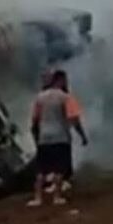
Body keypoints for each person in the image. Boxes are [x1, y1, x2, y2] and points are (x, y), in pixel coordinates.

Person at [28, 69, 88, 207]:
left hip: (44, 138)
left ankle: (37, 198)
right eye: (65, 80)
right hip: (61, 137)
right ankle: (57, 197)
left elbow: (34, 121)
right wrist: (82, 136)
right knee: (59, 169)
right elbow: (74, 119)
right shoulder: (65, 97)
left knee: (41, 170)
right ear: (59, 81)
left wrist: (36, 138)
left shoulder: (40, 97)